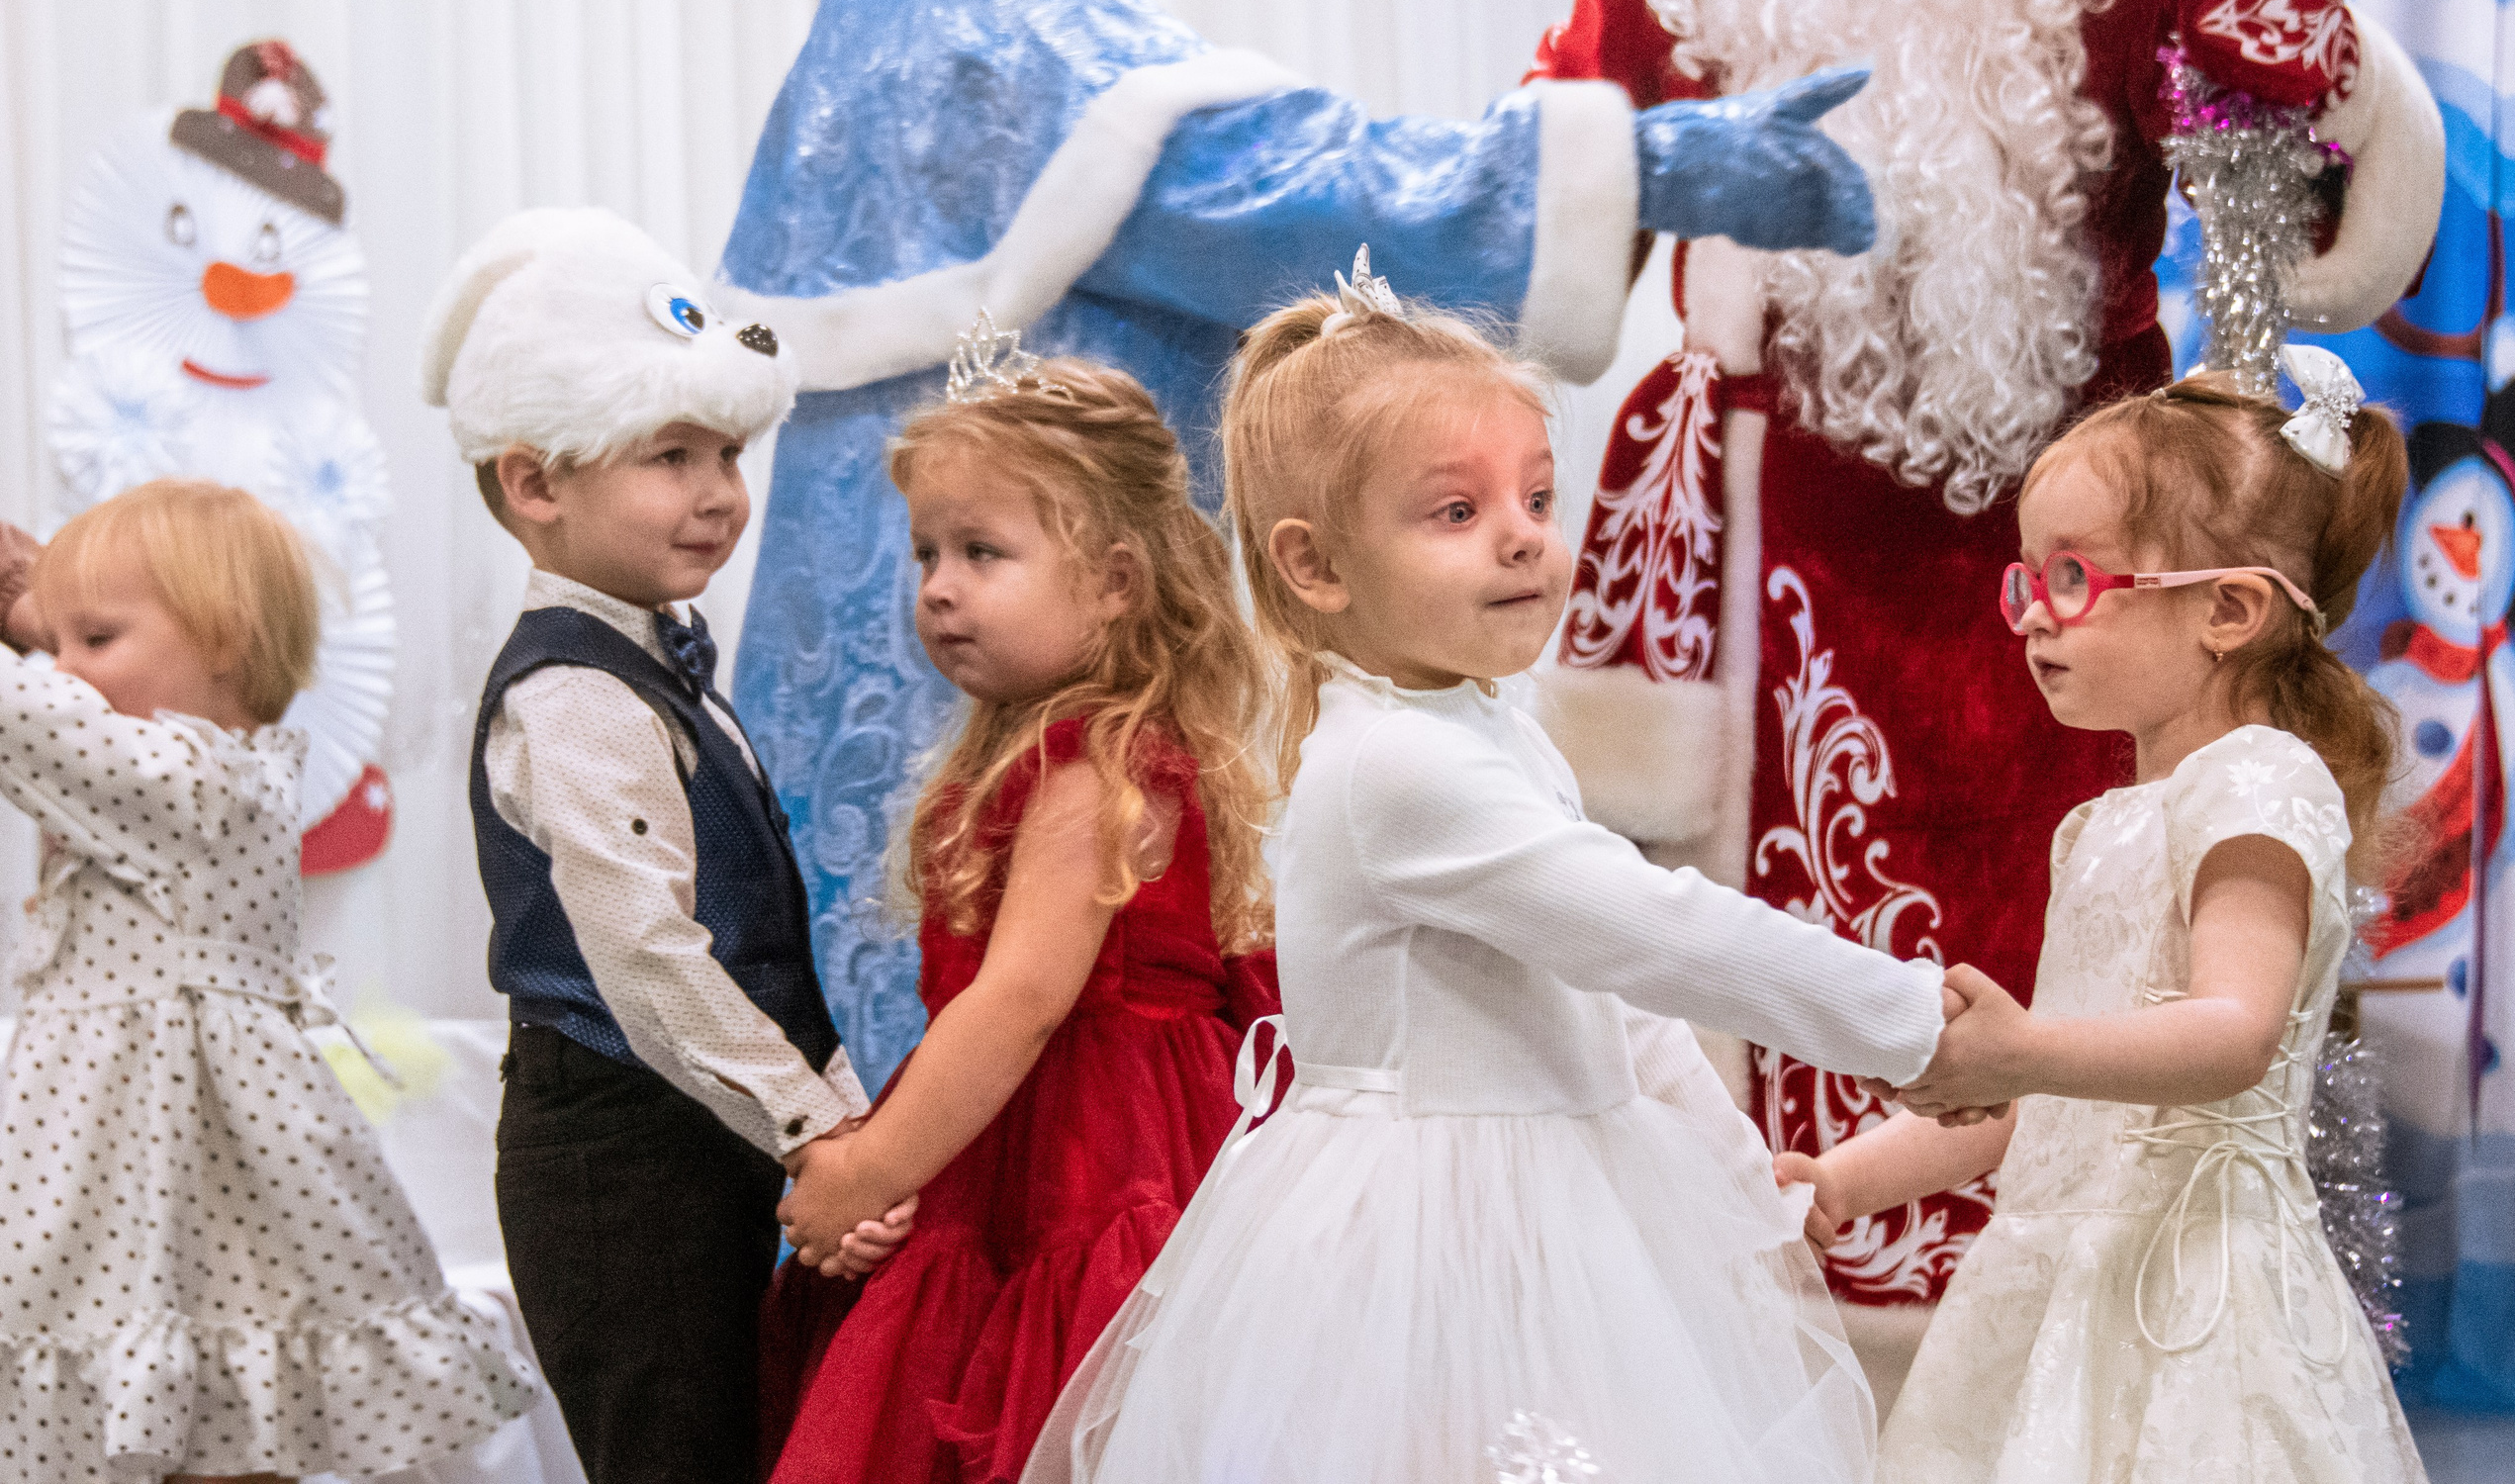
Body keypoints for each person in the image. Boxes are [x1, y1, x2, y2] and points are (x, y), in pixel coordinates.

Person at [717, 0, 1885, 1083]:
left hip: (902, 663)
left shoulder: (879, 10)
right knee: (1061, 1129)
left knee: (904, 1104)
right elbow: (1310, 194)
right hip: (1051, 675)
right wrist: (1651, 160)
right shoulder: (1015, 24)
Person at [1528, 0, 2444, 1317]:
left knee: (2122, 955)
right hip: (1775, 571)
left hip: (2113, 560)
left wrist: (2306, 60)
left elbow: (2315, 231)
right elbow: (1547, 249)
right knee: (1770, 1022)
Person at [1020, 266, 1961, 1484]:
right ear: (1314, 567)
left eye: (1534, 496)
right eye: (1454, 513)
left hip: (1552, 1203)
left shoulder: (1487, 727)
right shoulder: (1400, 767)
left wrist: (1737, 1168)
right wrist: (1911, 1023)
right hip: (1427, 1235)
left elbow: (1609, 999)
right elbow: (1647, 928)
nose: (1522, 534)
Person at [1776, 348, 2431, 1481]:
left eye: (2072, 579)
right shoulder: (2104, 825)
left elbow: (2234, 1029)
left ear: (2226, 609)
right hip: (2055, 1293)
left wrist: (2024, 1044)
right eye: (2024, 582)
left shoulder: (2259, 783)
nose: (2032, 618)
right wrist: (1849, 1179)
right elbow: (2050, 1103)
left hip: (2195, 1307)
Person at [419, 208, 907, 1484]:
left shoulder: (656, 662)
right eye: (670, 455)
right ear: (535, 483)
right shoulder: (573, 693)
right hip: (619, 1171)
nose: (717, 495)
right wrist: (822, 1132)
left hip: (708, 1136)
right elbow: (651, 960)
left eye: (728, 453)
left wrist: (843, 1121)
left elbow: (758, 947)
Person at [763, 348, 1281, 1484]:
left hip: (1100, 1160)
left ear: (1114, 582)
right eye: (927, 554)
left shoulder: (1095, 766)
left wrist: (869, 1167)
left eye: (982, 553)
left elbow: (1019, 1005)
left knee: (1056, 1401)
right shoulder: (1035, 749)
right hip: (1016, 1144)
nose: (939, 586)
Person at [0, 482, 537, 1482]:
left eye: (96, 639)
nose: (62, 668)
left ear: (226, 641)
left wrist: (34, 636)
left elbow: (35, 718)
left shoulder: (191, 783)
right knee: (164, 1419)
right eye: (53, 642)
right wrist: (51, 618)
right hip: (122, 1190)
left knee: (234, 1429)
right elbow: (62, 704)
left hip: (194, 1186)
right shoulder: (174, 764)